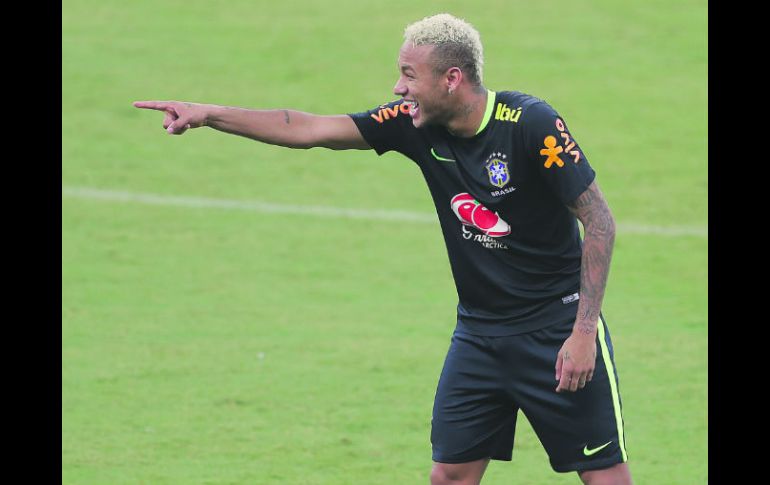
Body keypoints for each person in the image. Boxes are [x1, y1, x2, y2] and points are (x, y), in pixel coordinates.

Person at [134, 13, 632, 485]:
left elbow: (601, 223)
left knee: (603, 475)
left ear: (451, 79)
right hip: (479, 336)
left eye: (409, 75)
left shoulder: (530, 124)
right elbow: (310, 129)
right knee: (450, 474)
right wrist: (210, 114)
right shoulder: (413, 123)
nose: (399, 88)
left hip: (555, 332)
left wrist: (583, 332)